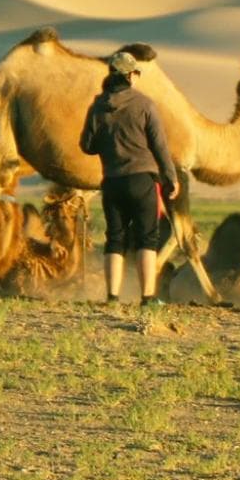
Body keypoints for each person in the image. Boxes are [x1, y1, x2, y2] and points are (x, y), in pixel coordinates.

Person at [79, 51, 180, 306]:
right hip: (143, 180)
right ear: (130, 75)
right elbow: (160, 146)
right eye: (136, 73)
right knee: (147, 239)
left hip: (112, 182)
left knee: (115, 238)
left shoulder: (99, 106)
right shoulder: (144, 104)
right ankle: (148, 298)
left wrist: (110, 143)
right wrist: (171, 177)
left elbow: (87, 146)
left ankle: (112, 297)